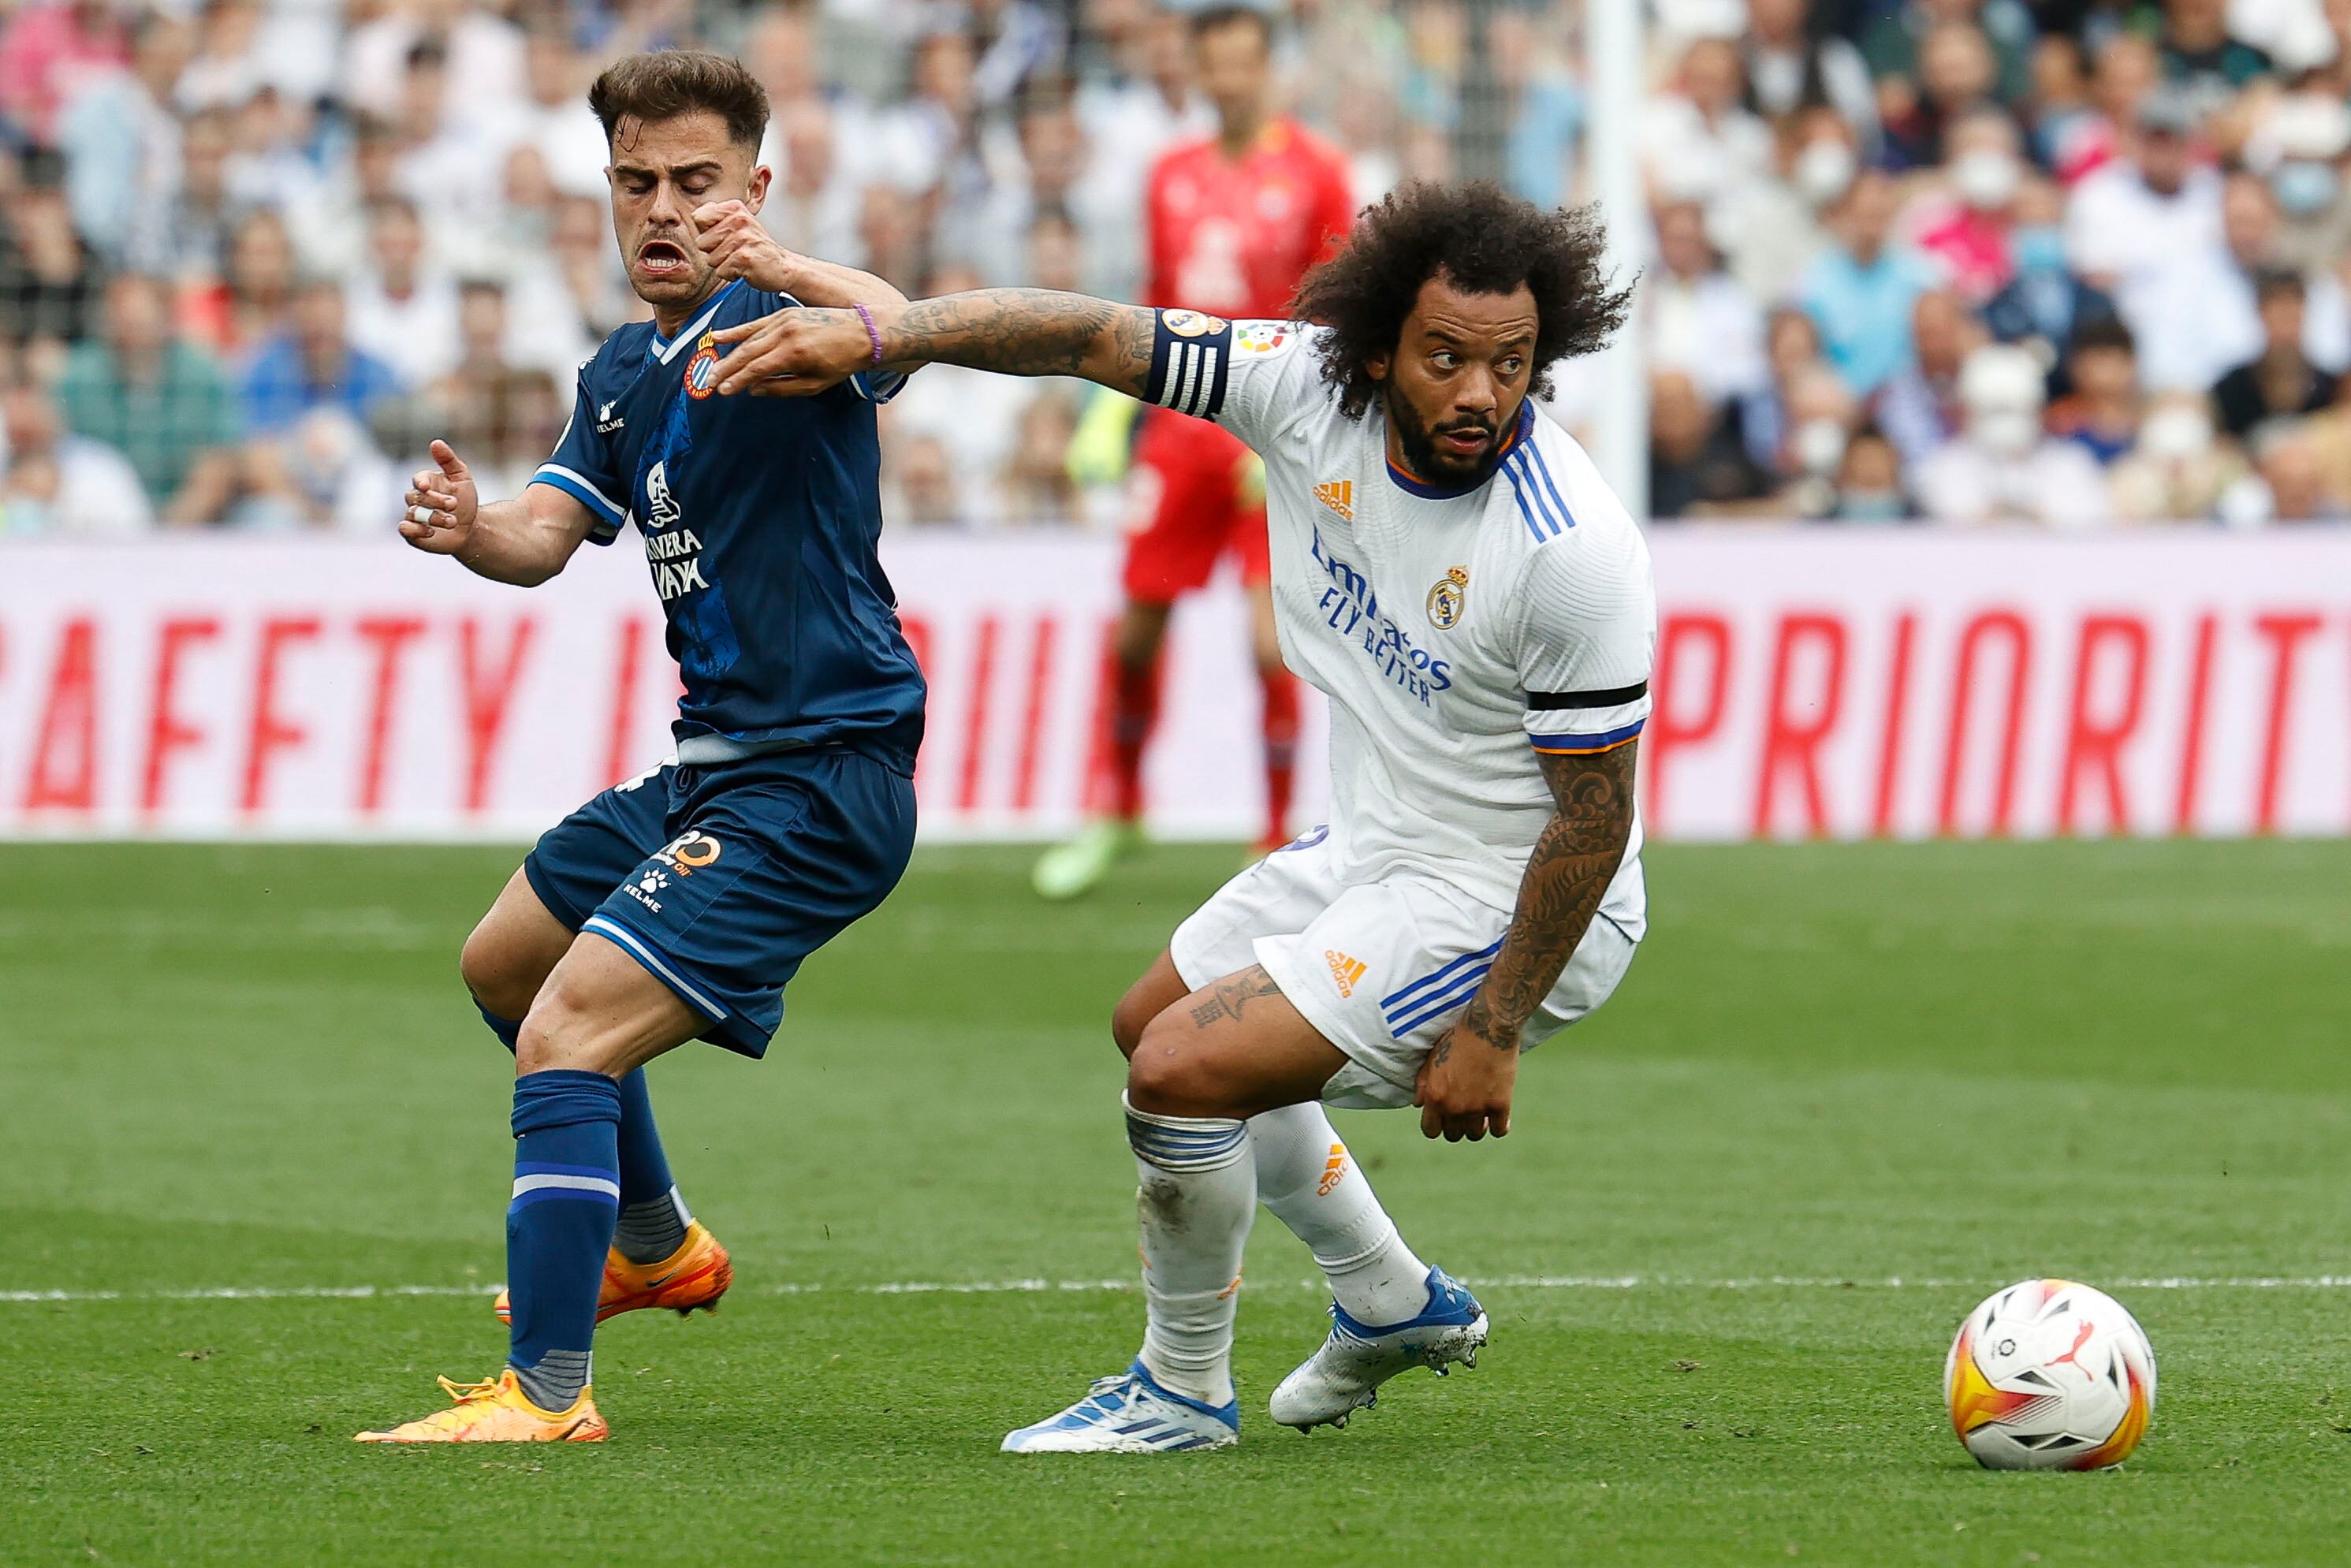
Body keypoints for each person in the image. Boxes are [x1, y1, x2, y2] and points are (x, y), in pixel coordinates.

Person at [710, 181, 1652, 1452]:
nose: (1480, 391)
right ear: (1377, 349)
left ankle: (1179, 1386)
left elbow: (1592, 819)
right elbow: (1089, 333)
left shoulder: (1570, 548)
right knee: (1151, 1022)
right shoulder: (1300, 385)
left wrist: (1492, 1023)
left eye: (1510, 362)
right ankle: (1388, 1297)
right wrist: (893, 336)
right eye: (1446, 357)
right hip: (1380, 844)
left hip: (1510, 891)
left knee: (1182, 1072)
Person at [356, 50, 926, 1445]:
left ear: (753, 188)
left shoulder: (781, 327)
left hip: (820, 775)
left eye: (696, 183)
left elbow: (904, 327)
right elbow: (544, 542)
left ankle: (547, 1395)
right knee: (507, 963)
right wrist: (467, 524)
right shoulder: (619, 374)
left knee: (565, 1034)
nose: (662, 209)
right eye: (636, 183)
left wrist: (788, 271)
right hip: (716, 764)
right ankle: (655, 1244)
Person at [1028, 4, 1355, 902]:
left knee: (1267, 641)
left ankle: (1274, 830)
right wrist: (1111, 417)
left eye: (1244, 64)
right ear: (1199, 72)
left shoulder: (1318, 172)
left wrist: (1303, 426)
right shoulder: (1171, 174)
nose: (1228, 81)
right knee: (1135, 629)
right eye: (1214, 66)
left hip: (1272, 433)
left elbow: (1338, 308)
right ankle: (1119, 808)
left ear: (1268, 69)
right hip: (1183, 430)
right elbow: (1158, 304)